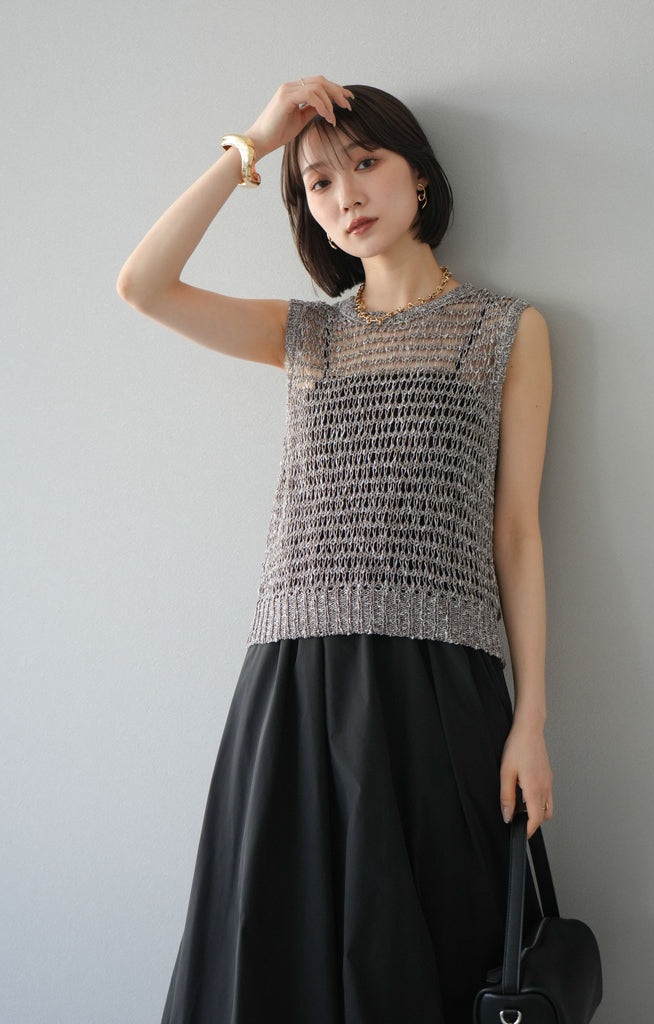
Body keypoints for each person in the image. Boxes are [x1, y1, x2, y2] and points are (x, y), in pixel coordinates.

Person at [117, 75, 553, 1024]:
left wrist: (531, 720)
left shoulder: (505, 331)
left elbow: (516, 533)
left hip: (439, 684)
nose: (346, 194)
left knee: (433, 956)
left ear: (419, 177)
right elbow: (142, 286)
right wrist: (254, 143)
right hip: (296, 682)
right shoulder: (307, 334)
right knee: (281, 959)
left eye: (366, 163)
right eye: (318, 183)